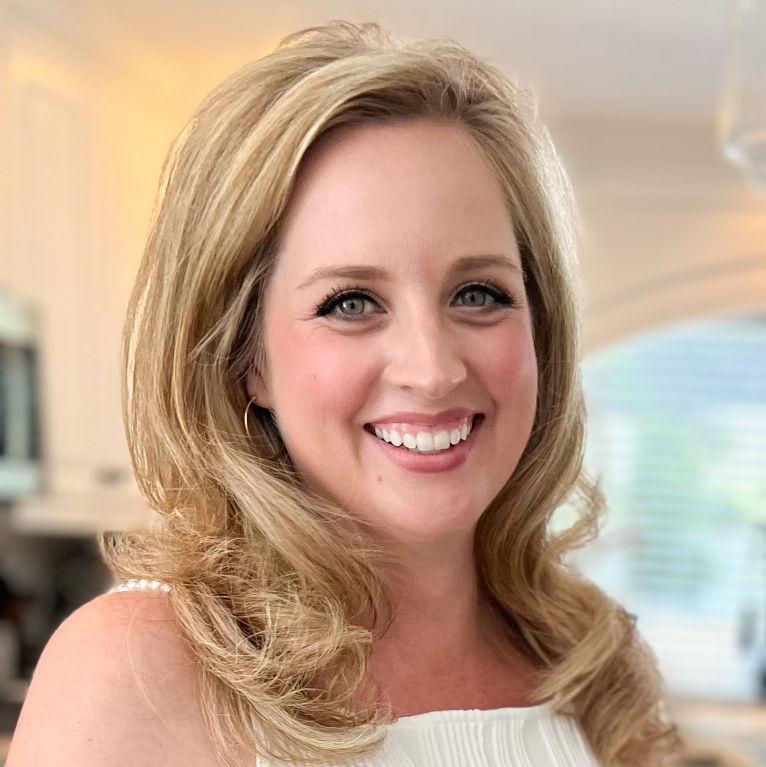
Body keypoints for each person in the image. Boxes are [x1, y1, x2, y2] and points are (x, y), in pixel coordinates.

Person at [6, 20, 685, 767]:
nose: (432, 369)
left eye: (478, 293)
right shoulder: (137, 669)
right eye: (351, 303)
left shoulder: (592, 660)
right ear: (245, 360)